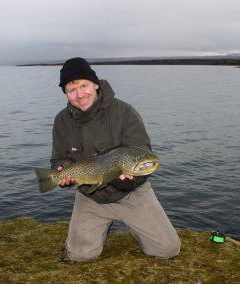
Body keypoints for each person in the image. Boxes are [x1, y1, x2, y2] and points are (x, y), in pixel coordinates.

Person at [50, 57, 180, 262]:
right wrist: (61, 171)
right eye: (71, 89)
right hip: (90, 195)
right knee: (80, 256)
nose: (79, 94)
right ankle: (100, 226)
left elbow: (143, 154)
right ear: (66, 93)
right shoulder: (62, 121)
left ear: (95, 84)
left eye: (84, 85)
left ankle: (135, 224)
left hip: (132, 194)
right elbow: (59, 158)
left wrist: (126, 180)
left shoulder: (125, 112)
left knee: (168, 249)